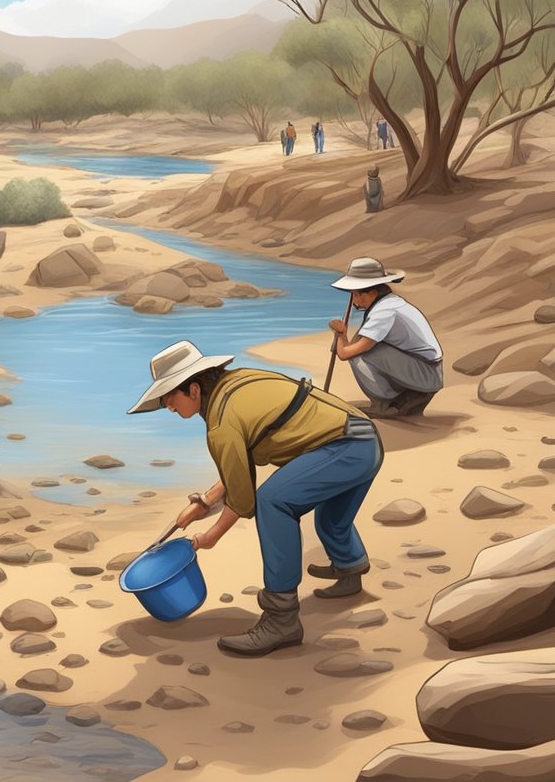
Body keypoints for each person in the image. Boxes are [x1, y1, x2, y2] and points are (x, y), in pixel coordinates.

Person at [128, 340, 382, 656]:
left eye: (169, 397)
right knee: (332, 517)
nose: (168, 406)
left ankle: (281, 620)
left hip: (343, 449)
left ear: (194, 390)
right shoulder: (237, 382)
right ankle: (349, 569)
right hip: (365, 438)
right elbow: (240, 463)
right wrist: (204, 503)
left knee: (273, 502)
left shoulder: (221, 422)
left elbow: (244, 499)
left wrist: (209, 536)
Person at [328, 258, 443, 419]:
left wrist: (340, 334)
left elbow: (346, 353)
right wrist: (343, 338)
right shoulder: (386, 304)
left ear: (371, 293)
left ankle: (384, 405)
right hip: (422, 371)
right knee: (365, 347)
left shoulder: (384, 312)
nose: (353, 300)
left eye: (355, 294)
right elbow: (352, 345)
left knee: (360, 354)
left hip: (425, 375)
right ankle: (394, 400)